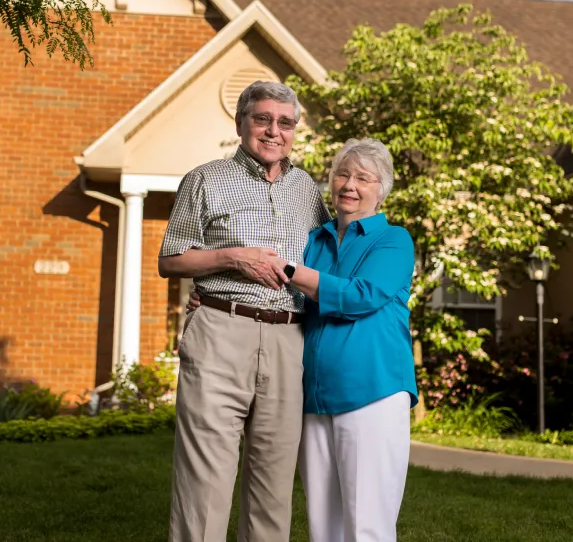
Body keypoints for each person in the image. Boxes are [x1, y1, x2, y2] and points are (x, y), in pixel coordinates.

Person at [189, 137, 417, 542]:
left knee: (367, 525)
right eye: (342, 174)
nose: (350, 185)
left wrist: (289, 269)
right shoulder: (316, 240)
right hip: (313, 395)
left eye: (363, 178)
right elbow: (279, 291)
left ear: (381, 189)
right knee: (323, 524)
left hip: (373, 391)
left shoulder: (393, 240)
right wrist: (212, 291)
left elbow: (359, 295)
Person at [158, 80, 331, 542]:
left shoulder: (308, 191)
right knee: (205, 482)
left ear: (295, 130)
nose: (274, 131)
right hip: (221, 330)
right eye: (263, 119)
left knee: (273, 486)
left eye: (285, 122)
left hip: (288, 340)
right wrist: (232, 257)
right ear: (241, 124)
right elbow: (170, 259)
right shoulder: (204, 180)